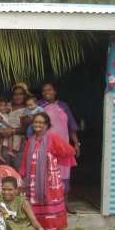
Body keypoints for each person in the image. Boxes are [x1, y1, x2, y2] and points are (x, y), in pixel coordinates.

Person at [21, 112, 76, 230]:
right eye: (35, 122)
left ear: (47, 125)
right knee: (37, 208)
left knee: (53, 208)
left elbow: (69, 151)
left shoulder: (53, 138)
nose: (37, 125)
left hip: (50, 182)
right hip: (33, 181)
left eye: (41, 122)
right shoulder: (30, 140)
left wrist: (54, 163)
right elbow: (25, 160)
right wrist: (23, 176)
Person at [38, 82, 80, 214]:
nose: (46, 92)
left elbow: (72, 126)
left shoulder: (63, 106)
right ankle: (48, 205)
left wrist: (76, 144)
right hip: (46, 146)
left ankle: (65, 203)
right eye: (44, 91)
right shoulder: (39, 106)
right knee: (46, 174)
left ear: (55, 91)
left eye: (49, 90)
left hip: (64, 147)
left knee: (64, 174)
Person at [0, 83, 30, 171]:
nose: (18, 96)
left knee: (19, 171)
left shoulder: (29, 108)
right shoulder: (6, 106)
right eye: (15, 94)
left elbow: (28, 127)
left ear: (25, 95)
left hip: (20, 143)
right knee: (4, 170)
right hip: (3, 141)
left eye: (21, 94)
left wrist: (13, 131)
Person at [0, 97, 14, 163]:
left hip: (3, 128)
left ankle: (2, 154)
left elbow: (9, 110)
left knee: (1, 141)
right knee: (9, 136)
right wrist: (9, 126)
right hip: (1, 128)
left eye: (5, 105)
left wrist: (9, 107)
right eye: (1, 106)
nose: (4, 107)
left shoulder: (4, 114)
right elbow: (2, 121)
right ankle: (8, 151)